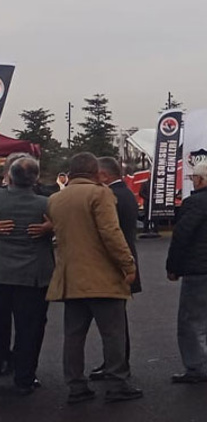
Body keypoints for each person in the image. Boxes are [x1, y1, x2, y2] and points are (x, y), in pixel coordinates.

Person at [45, 152, 142, 404]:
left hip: (70, 277)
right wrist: (128, 264)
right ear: (94, 171)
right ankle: (117, 384)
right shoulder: (100, 194)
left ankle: (76, 386)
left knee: (74, 336)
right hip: (103, 276)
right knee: (113, 334)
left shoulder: (56, 198)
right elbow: (111, 233)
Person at [165, 160, 207, 384]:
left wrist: (173, 267)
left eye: (194, 177)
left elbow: (182, 236)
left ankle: (196, 366)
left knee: (192, 320)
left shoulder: (194, 203)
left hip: (200, 267)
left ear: (200, 180)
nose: (193, 181)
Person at [0, 154, 55, 396]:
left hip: (1, 275)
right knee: (30, 329)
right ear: (36, 179)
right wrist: (52, 227)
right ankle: (25, 377)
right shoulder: (46, 205)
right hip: (33, 277)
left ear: (9, 176)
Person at [88, 157, 140, 382]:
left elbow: (109, 233)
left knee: (114, 323)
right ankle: (116, 362)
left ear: (104, 175)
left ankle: (116, 365)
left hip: (116, 264)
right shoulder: (124, 193)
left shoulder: (112, 196)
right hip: (124, 260)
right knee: (117, 320)